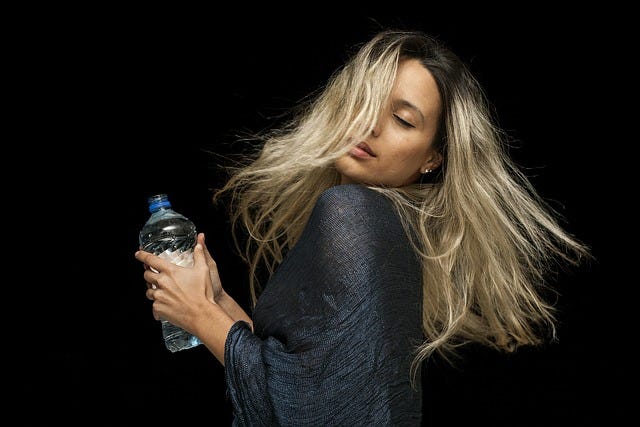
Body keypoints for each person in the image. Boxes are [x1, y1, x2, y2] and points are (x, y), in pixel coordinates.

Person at [134, 29, 591, 425]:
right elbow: (300, 386)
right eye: (366, 102)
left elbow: (316, 417)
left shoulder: (353, 214)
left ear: (433, 158)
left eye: (403, 119)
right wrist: (218, 304)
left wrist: (200, 316)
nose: (371, 125)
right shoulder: (389, 226)